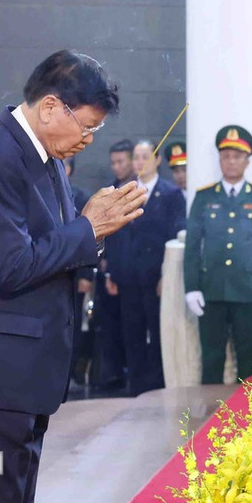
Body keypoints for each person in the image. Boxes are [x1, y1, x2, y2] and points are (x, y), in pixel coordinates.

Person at [0, 50, 147, 503]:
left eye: (95, 130)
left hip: (19, 375)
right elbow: (12, 267)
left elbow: (55, 242)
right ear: (51, 107)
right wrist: (88, 228)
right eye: (86, 126)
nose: (88, 139)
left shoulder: (41, 156)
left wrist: (91, 230)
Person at [184, 125, 252, 384]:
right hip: (212, 289)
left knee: (248, 357)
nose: (231, 162)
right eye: (226, 156)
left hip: (249, 290)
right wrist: (191, 287)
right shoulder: (204, 197)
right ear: (220, 160)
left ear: (247, 161)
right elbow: (193, 245)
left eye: (237, 156)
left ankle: (248, 417)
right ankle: (209, 417)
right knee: (212, 358)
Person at [105, 140, 185, 395]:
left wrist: (166, 275)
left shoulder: (170, 194)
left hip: (155, 277)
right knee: (132, 333)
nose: (140, 162)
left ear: (157, 160)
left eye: (145, 156)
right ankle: (136, 387)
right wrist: (111, 271)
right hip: (128, 275)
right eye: (137, 157)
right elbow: (113, 234)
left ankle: (159, 384)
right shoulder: (124, 191)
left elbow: (174, 236)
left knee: (158, 332)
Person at [89, 138, 135, 390]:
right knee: (109, 326)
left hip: (131, 271)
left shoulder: (138, 191)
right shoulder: (109, 192)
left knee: (133, 327)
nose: (117, 167)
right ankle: (113, 374)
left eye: (121, 161)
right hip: (109, 269)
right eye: (113, 162)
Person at [62, 156, 95, 387]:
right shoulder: (39, 192)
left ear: (69, 168)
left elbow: (90, 238)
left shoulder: (80, 197)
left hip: (75, 273)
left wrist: (86, 275)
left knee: (72, 325)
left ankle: (71, 373)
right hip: (47, 272)